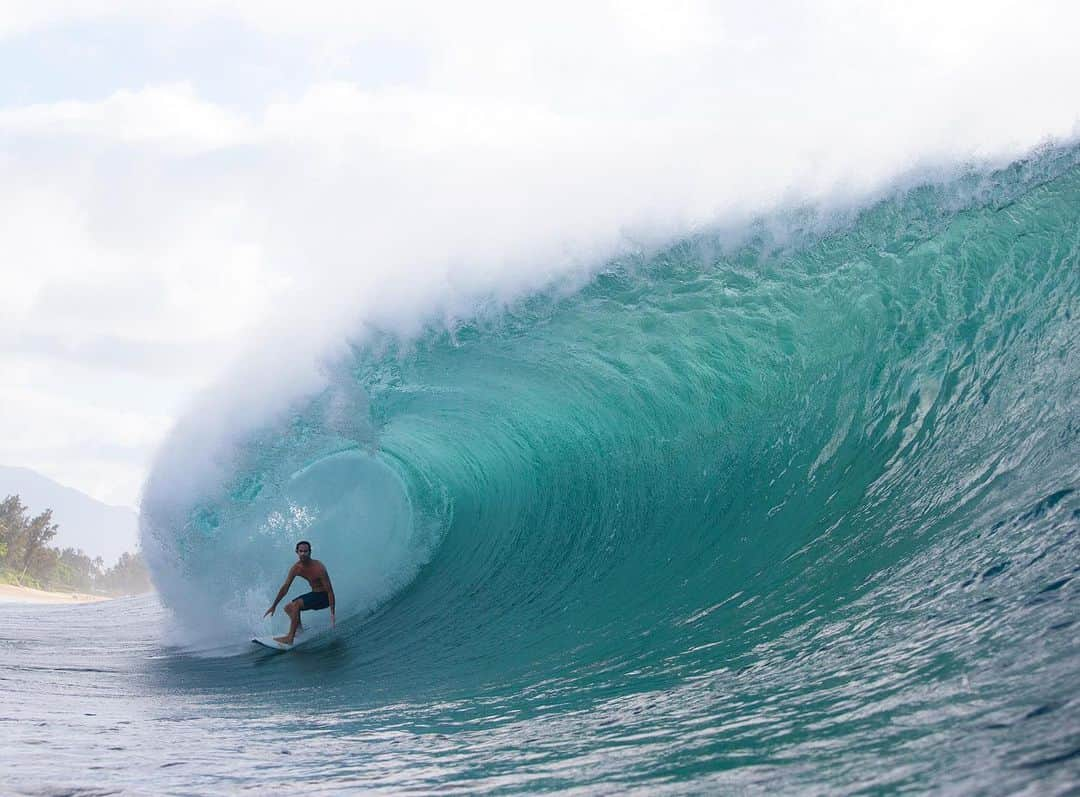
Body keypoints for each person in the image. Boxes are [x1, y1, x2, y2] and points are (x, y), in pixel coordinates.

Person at [264, 540, 335, 645]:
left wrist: (332, 613)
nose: (303, 553)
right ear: (296, 552)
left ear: (310, 552)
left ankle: (290, 638)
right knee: (288, 608)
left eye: (305, 551)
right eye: (300, 551)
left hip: (324, 598)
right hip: (314, 594)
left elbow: (330, 591)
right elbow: (285, 587)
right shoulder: (296, 568)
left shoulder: (319, 568)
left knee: (296, 605)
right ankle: (300, 631)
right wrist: (274, 605)